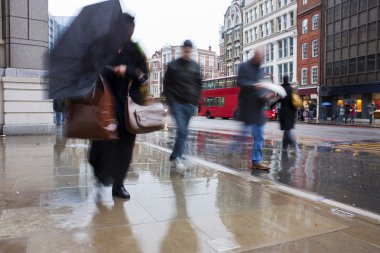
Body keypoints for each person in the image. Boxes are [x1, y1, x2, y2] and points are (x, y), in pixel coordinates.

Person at [89, 14, 149, 206]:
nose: (129, 32)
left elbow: (144, 76)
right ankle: (100, 176)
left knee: (125, 148)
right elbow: (94, 70)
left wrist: (128, 70)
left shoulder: (136, 50)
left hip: (127, 107)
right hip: (104, 105)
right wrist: (112, 69)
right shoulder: (103, 47)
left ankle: (119, 185)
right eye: (126, 29)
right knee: (100, 146)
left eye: (132, 29)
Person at [163, 40, 202, 169]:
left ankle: (176, 155)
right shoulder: (173, 66)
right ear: (182, 50)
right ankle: (177, 157)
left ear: (191, 51)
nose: (187, 53)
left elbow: (198, 85)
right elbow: (166, 85)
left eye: (189, 51)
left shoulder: (195, 66)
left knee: (183, 133)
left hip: (190, 105)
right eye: (185, 51)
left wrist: (195, 102)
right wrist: (171, 102)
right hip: (177, 104)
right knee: (183, 131)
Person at [237, 47, 272, 170]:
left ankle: (257, 161)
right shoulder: (244, 66)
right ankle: (231, 153)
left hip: (258, 108)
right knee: (242, 137)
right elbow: (240, 82)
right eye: (261, 56)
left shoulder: (261, 71)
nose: (262, 58)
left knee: (259, 136)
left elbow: (261, 88)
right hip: (248, 108)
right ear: (255, 55)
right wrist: (254, 86)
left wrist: (266, 95)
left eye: (264, 56)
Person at [279, 76, 298, 150]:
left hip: (284, 111)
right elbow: (295, 100)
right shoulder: (291, 89)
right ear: (288, 80)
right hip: (291, 112)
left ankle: (292, 143)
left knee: (287, 129)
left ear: (283, 80)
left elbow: (278, 99)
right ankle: (285, 145)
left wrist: (271, 105)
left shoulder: (281, 88)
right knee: (287, 129)